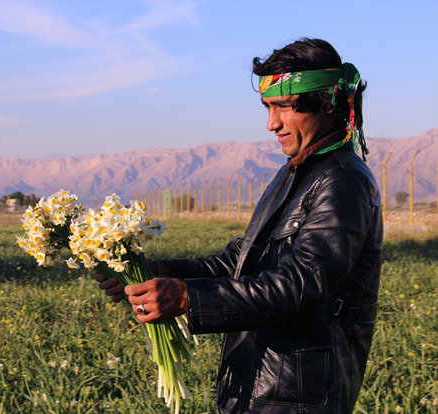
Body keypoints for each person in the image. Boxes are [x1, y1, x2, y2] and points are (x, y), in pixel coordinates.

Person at [95, 38, 382, 413]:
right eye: (267, 107)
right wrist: (158, 272)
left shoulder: (343, 181)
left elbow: (302, 286)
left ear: (327, 104)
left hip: (299, 395)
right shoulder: (295, 173)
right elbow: (242, 259)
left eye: (283, 107)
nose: (271, 123)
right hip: (263, 382)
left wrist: (186, 298)